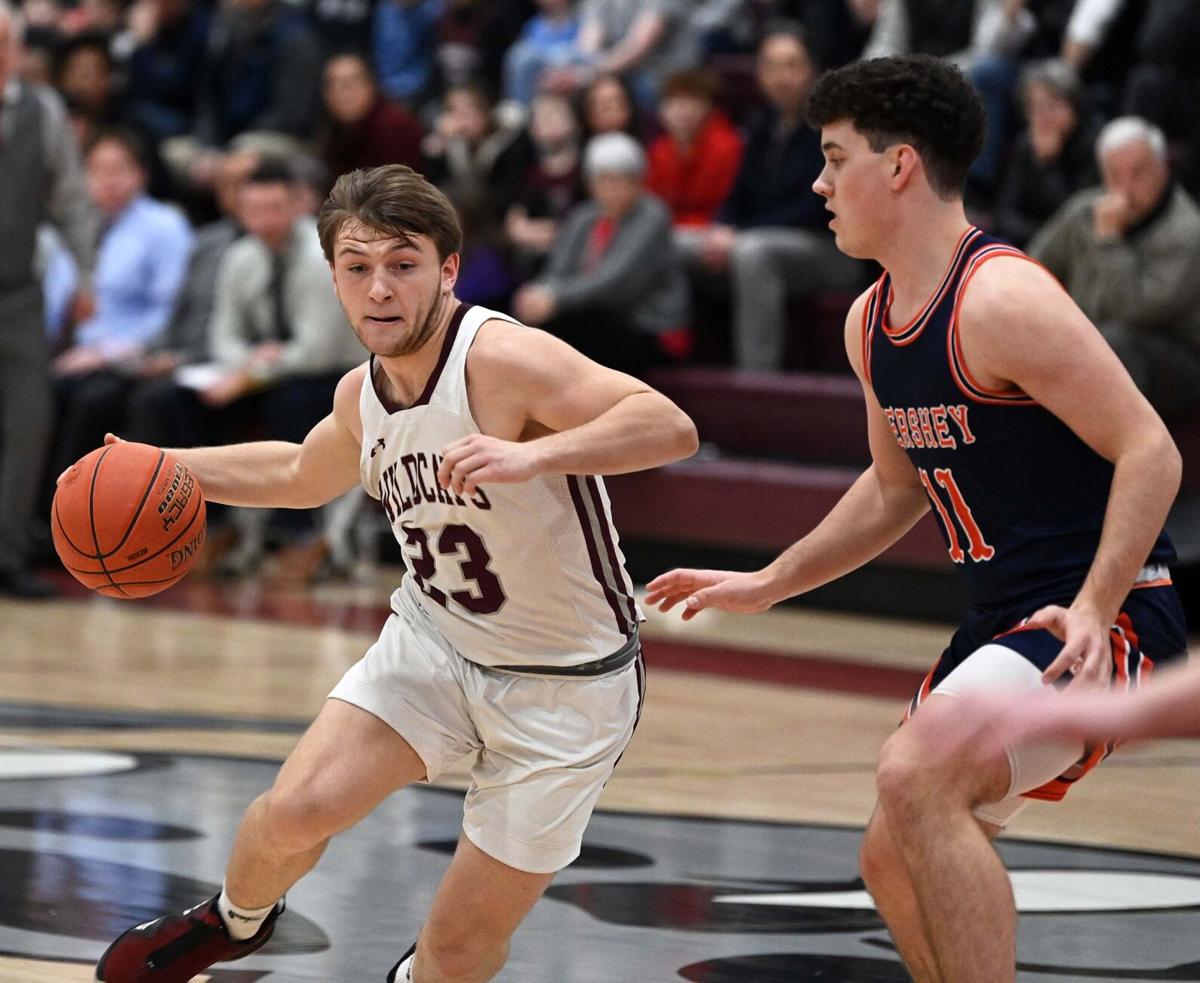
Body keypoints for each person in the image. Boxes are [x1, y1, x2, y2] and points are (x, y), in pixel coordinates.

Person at [646, 54, 1187, 983]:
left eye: (833, 157)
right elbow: (894, 488)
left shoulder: (1003, 297)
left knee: (917, 779)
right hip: (999, 622)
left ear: (897, 166)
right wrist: (770, 580)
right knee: (889, 855)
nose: (817, 182)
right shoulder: (871, 320)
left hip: (1105, 614)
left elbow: (1153, 451)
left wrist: (1097, 605)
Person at [92, 162, 698, 982]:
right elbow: (302, 474)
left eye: (404, 264)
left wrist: (531, 453)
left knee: (453, 956)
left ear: (448, 269)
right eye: (358, 267)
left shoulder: (502, 357)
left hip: (568, 687)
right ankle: (232, 922)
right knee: (293, 811)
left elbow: (667, 425)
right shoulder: (361, 394)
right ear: (335, 279)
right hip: (434, 646)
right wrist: (166, 464)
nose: (381, 288)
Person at [0, 0, 101, 599]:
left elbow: (71, 200)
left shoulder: (43, 111)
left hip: (16, 293)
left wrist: (86, 276)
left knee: (28, 423)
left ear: (14, 50)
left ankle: (9, 556)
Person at [1029, 115, 1200, 420]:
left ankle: (1106, 451)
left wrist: (1109, 241)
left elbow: (1136, 310)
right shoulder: (1084, 210)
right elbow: (1031, 267)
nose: (1125, 188)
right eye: (1114, 175)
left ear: (1162, 168)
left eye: (1138, 173)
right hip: (1095, 342)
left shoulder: (1188, 232)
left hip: (1175, 357)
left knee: (1114, 342)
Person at [513, 132, 691, 375]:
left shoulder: (653, 217)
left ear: (637, 181)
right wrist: (539, 293)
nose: (610, 188)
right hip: (597, 315)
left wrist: (555, 298)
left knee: (567, 329)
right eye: (603, 180)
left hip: (648, 325)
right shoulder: (584, 216)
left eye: (620, 180)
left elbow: (618, 283)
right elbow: (558, 269)